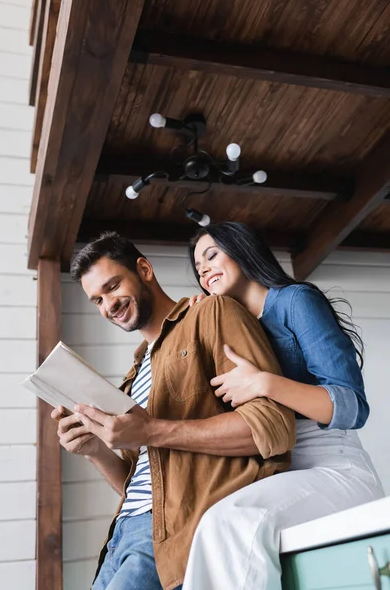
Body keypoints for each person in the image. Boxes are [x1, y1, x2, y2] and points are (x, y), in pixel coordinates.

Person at [52, 231, 296, 590]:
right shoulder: (135, 371)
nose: (108, 306)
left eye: (113, 286)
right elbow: (147, 484)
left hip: (173, 539)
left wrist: (150, 431)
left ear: (144, 269)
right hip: (121, 538)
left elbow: (274, 428)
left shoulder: (212, 313)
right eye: (97, 300)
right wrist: (95, 451)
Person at [182, 221, 384, 590]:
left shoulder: (295, 301)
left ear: (242, 249)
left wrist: (263, 383)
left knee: (230, 522)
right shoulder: (231, 326)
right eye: (198, 268)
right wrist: (197, 321)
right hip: (278, 472)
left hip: (334, 467)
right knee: (208, 524)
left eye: (211, 255)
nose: (204, 270)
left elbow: (352, 406)